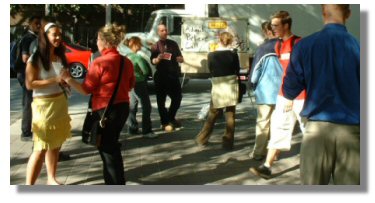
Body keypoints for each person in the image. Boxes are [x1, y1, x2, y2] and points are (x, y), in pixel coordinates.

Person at [283, 4, 360, 185]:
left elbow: (290, 89)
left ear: (323, 13)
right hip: (352, 130)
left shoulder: (305, 46)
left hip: (316, 130)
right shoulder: (359, 47)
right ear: (348, 14)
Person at [62, 24, 135, 185]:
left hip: (105, 110)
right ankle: (115, 181)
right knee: (111, 146)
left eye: (97, 39)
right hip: (122, 108)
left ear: (104, 41)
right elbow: (130, 85)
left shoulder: (99, 62)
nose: (96, 42)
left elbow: (85, 89)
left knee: (108, 151)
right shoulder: (126, 62)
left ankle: (115, 184)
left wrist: (68, 79)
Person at [250, 10, 306, 178]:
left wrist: (292, 96)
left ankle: (314, 165)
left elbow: (304, 72)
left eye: (275, 25)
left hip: (301, 97)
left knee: (309, 132)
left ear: (286, 25)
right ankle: (267, 166)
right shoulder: (278, 45)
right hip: (283, 95)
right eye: (272, 25)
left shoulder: (300, 43)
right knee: (278, 129)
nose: (272, 28)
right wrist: (286, 95)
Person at [25, 22, 71, 185]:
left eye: (60, 34)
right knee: (40, 147)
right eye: (54, 34)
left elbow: (61, 78)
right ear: (45, 37)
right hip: (43, 106)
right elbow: (30, 84)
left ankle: (51, 178)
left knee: (56, 144)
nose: (58, 37)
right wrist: (55, 80)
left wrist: (64, 82)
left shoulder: (59, 56)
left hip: (59, 103)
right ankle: (29, 185)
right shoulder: (36, 58)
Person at [195, 32, 240, 150]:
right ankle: (228, 143)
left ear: (219, 40)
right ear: (230, 41)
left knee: (213, 113)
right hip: (231, 85)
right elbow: (237, 70)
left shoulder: (211, 55)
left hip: (218, 86)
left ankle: (202, 139)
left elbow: (211, 70)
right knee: (230, 114)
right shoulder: (233, 55)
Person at [248, 21, 283, 161]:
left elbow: (255, 72)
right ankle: (273, 154)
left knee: (263, 122)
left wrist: (251, 84)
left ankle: (258, 153)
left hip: (265, 92)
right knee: (277, 124)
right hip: (282, 92)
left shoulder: (263, 48)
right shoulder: (285, 45)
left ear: (268, 32)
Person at [150, 24, 184, 132]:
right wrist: (158, 58)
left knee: (177, 98)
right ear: (158, 32)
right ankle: (164, 122)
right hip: (161, 76)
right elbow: (153, 61)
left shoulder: (173, 44)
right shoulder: (155, 46)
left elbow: (181, 58)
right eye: (162, 30)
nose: (164, 32)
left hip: (173, 75)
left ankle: (170, 117)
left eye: (165, 30)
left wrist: (180, 59)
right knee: (161, 100)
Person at [125, 36, 157, 138]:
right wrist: (142, 76)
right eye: (139, 43)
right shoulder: (138, 57)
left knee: (132, 106)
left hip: (129, 84)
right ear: (135, 45)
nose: (141, 45)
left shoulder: (126, 56)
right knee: (146, 106)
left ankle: (132, 128)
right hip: (139, 83)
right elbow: (146, 71)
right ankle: (147, 130)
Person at [18, 16, 41, 142]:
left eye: (39, 23)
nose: (38, 25)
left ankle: (28, 129)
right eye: (36, 23)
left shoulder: (32, 37)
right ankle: (26, 132)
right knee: (28, 102)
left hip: (27, 73)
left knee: (30, 101)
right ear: (30, 24)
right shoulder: (28, 38)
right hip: (25, 73)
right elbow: (25, 58)